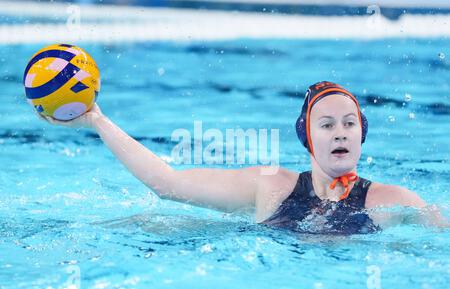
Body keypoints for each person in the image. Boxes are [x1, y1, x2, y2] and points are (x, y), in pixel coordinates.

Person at [35, 81, 449, 234]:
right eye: (326, 125)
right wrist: (98, 121)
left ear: (362, 133)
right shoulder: (270, 185)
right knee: (143, 223)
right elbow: (169, 185)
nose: (340, 131)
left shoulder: (391, 199)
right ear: (307, 136)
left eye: (349, 123)